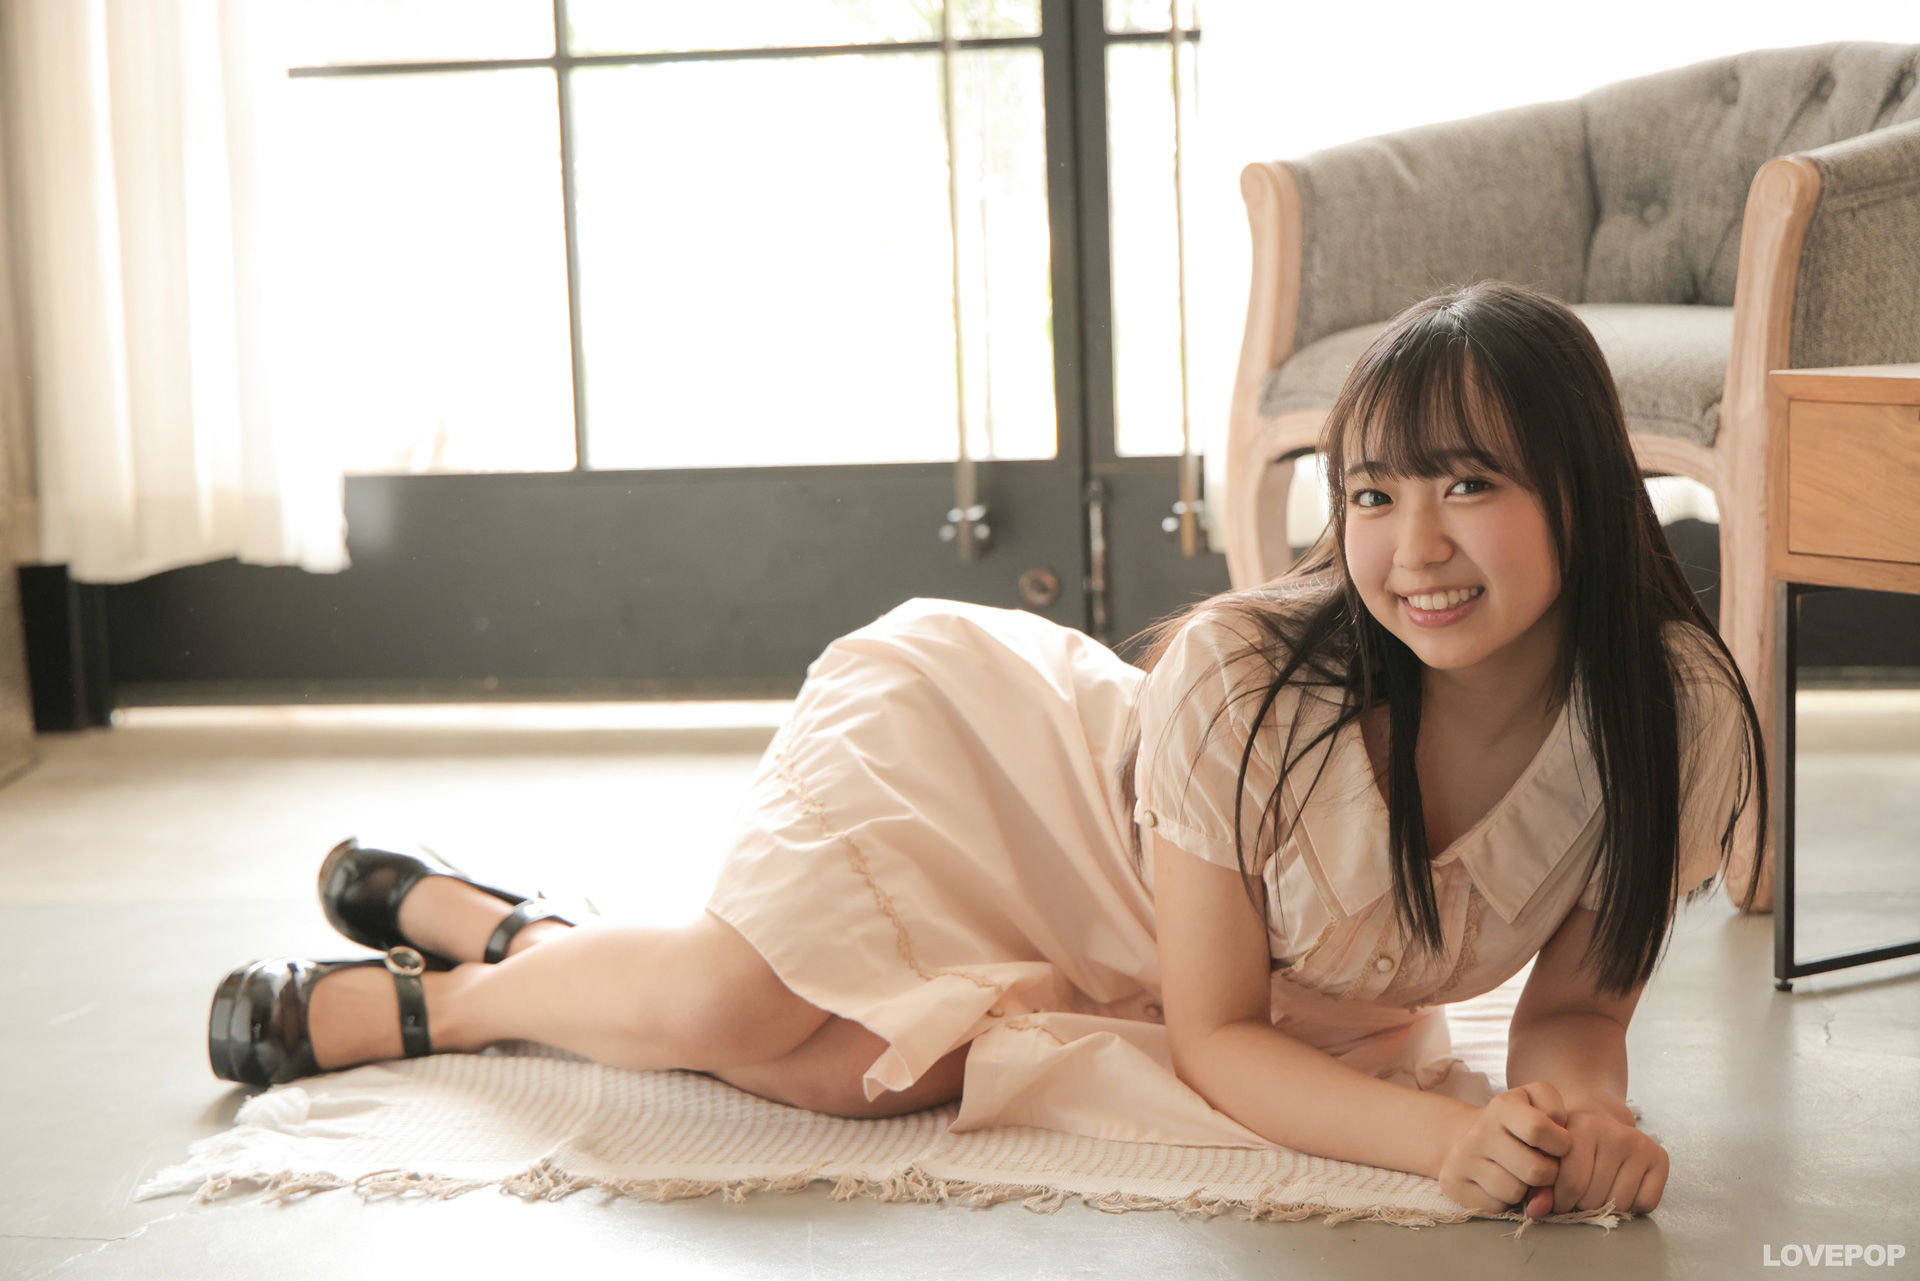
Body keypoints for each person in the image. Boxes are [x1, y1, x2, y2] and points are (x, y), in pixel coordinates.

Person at [206, 280, 1766, 1223]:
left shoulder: (1672, 715)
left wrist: (1580, 1119)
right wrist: (1444, 1136)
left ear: (1583, 488)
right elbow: (1218, 1034)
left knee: (846, 1074)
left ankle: (511, 926)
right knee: (725, 1004)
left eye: (1469, 485)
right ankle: (452, 995)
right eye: (1372, 494)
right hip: (998, 760)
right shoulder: (1247, 674)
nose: (1412, 547)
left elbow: (1576, 1007)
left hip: (1167, 960)